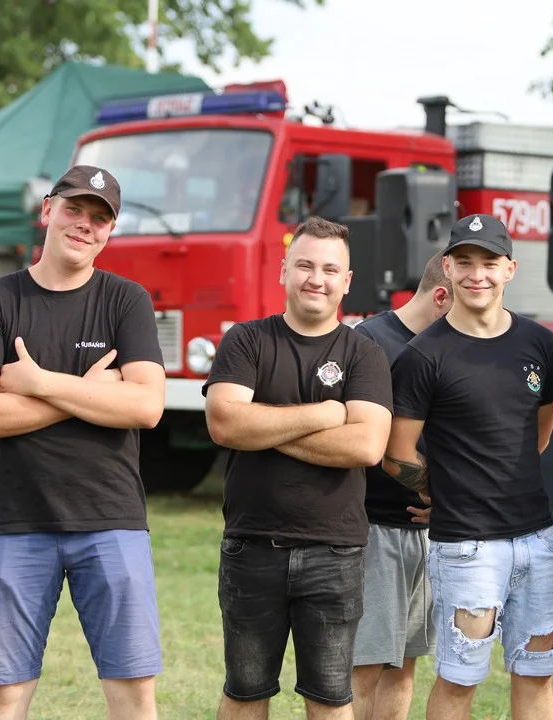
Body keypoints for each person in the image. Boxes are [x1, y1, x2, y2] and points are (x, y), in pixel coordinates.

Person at [0, 165, 167, 720]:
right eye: (74, 210)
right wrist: (89, 393)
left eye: (100, 218)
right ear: (48, 211)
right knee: (5, 690)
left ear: (110, 232)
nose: (84, 225)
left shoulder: (126, 301)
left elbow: (145, 406)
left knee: (134, 687)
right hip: (11, 517)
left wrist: (38, 383)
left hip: (110, 517)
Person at [202, 216, 394, 719]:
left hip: (335, 551)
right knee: (245, 692)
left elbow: (368, 446)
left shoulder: (365, 355)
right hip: (251, 546)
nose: (317, 278)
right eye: (305, 265)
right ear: (284, 270)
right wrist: (326, 414)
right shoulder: (246, 341)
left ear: (346, 282)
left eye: (331, 269)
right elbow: (225, 423)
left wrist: (264, 426)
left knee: (331, 698)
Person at [383, 214, 553, 720]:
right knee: (459, 679)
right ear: (447, 267)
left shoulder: (540, 343)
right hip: (467, 546)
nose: (477, 274)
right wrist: (439, 494)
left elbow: (541, 431)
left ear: (510, 268)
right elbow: (397, 451)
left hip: (537, 539)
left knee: (537, 673)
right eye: (464, 262)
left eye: (489, 262)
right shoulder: (424, 356)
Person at [350, 252, 452, 720]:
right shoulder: (370, 341)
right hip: (375, 527)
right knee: (364, 665)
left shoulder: (451, 343)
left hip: (430, 533)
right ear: (440, 296)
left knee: (405, 663)